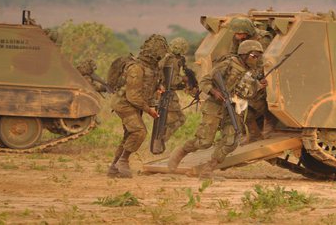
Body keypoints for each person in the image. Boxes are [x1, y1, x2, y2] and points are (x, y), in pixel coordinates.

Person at [167, 40, 267, 178]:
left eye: (258, 56)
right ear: (244, 54)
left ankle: (208, 169)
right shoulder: (228, 64)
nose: (256, 59)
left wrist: (259, 86)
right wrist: (215, 92)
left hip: (234, 107)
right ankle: (181, 152)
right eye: (253, 56)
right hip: (215, 105)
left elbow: (249, 92)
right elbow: (205, 82)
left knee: (231, 141)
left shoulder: (253, 71)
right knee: (204, 141)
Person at [107, 34, 169, 178]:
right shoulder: (136, 68)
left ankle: (114, 167)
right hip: (124, 104)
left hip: (134, 104)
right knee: (139, 132)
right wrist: (149, 110)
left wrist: (159, 86)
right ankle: (122, 161)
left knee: (130, 134)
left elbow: (149, 83)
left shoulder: (152, 68)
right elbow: (133, 96)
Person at [228, 17, 275, 142]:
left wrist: (256, 75)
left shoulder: (263, 38)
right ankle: (253, 133)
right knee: (239, 100)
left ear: (247, 31)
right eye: (236, 33)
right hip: (247, 70)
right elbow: (233, 54)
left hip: (262, 70)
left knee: (264, 97)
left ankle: (270, 121)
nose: (237, 36)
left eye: (239, 33)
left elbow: (264, 59)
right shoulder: (237, 38)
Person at [153, 37, 196, 153]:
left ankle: (159, 142)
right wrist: (184, 79)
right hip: (167, 94)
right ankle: (160, 141)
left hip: (166, 93)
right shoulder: (172, 60)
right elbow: (171, 80)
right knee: (178, 119)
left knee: (167, 120)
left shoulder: (168, 58)